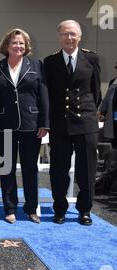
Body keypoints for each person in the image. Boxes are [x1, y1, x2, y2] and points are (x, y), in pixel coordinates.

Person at [44, 20, 101, 226]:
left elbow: (96, 92)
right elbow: (48, 93)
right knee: (59, 169)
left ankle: (84, 210)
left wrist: (89, 112)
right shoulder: (50, 62)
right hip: (60, 124)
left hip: (86, 122)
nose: (69, 38)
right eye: (65, 34)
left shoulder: (91, 58)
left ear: (80, 36)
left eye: (73, 34)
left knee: (87, 170)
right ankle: (59, 209)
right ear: (59, 36)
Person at [0, 28, 49, 224]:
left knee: (29, 169)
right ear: (6, 46)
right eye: (14, 43)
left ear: (26, 47)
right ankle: (9, 208)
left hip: (31, 125)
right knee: (6, 168)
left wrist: (44, 123)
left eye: (22, 43)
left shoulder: (36, 65)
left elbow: (44, 97)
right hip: (3, 125)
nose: (18, 46)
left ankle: (31, 209)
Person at [95, 63, 117, 194]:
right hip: (114, 124)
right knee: (114, 152)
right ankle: (107, 183)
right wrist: (100, 113)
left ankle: (107, 182)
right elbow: (106, 101)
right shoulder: (113, 83)